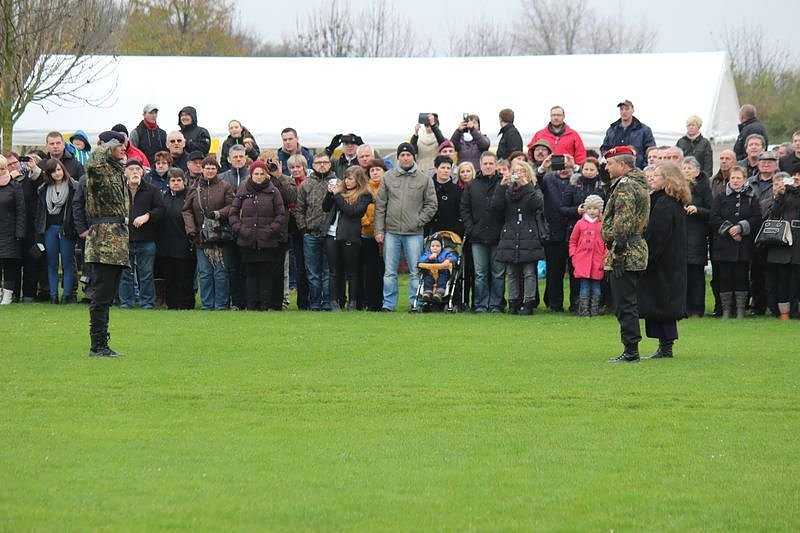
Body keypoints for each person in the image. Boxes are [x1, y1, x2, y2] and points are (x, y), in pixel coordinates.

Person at [374, 142, 438, 311]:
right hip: (391, 232)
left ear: (413, 156)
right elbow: (380, 205)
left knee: (415, 271)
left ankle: (415, 303)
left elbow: (432, 205)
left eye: (408, 154)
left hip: (414, 233)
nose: (405, 157)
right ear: (398, 157)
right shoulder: (388, 177)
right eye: (402, 155)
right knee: (389, 272)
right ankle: (388, 305)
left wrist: (418, 220)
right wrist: (379, 230)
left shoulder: (424, 179)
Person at [601, 146, 650, 363]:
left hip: (627, 250)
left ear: (622, 165)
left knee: (624, 304)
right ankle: (631, 347)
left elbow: (623, 222)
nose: (606, 166)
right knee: (627, 302)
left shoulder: (625, 187)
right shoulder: (637, 184)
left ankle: (631, 350)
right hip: (636, 248)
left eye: (610, 163)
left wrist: (618, 252)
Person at [84, 131, 130, 357]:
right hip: (104, 242)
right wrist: (105, 144)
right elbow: (93, 161)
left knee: (108, 295)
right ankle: (98, 345)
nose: (123, 148)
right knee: (101, 296)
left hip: (118, 240)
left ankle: (102, 342)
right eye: (118, 145)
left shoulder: (116, 170)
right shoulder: (99, 170)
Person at [638, 162, 690, 359]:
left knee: (662, 305)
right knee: (662, 303)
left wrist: (647, 260)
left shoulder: (664, 204)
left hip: (663, 264)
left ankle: (666, 346)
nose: (652, 177)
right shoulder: (671, 201)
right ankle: (664, 345)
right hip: (670, 262)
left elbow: (658, 236)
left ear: (668, 179)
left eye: (657, 175)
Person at [228, 161, 286, 311]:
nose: (259, 177)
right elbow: (233, 213)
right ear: (251, 174)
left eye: (261, 174)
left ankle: (265, 305)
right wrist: (241, 229)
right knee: (250, 274)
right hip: (247, 240)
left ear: (266, 174)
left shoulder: (273, 192)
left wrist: (270, 230)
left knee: (266, 274)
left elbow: (280, 214)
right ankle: (251, 305)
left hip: (267, 241)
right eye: (256, 174)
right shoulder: (243, 190)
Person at [491, 159, 545, 315]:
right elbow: (496, 206)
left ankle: (528, 303)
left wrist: (526, 185)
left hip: (528, 233)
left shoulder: (533, 189)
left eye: (522, 171)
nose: (518, 174)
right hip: (510, 232)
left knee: (529, 272)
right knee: (511, 272)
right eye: (516, 171)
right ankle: (513, 302)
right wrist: (502, 186)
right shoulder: (507, 190)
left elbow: (537, 205)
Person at [182, 156, 234, 311]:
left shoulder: (225, 186)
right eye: (207, 167)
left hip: (220, 236)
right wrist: (191, 230)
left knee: (220, 272)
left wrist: (218, 214)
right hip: (201, 237)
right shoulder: (194, 187)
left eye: (213, 168)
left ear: (217, 170)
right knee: (204, 273)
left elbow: (232, 206)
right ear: (202, 169)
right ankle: (206, 305)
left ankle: (221, 305)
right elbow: (186, 210)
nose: (210, 170)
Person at [709, 166, 761, 319]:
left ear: (744, 179)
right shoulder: (720, 197)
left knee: (741, 277)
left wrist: (741, 228)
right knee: (724, 277)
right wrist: (730, 229)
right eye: (733, 178)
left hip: (743, 245)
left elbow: (757, 218)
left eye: (739, 178)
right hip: (724, 245)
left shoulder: (751, 197)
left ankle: (740, 310)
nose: (735, 181)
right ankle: (726, 309)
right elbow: (714, 217)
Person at [323, 165, 373, 311]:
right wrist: (329, 193)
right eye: (345, 178)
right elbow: (325, 207)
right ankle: (334, 302)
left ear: (358, 180)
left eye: (350, 178)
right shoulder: (340, 192)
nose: (347, 181)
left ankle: (353, 302)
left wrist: (337, 195)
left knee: (351, 272)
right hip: (332, 234)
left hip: (350, 236)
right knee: (334, 271)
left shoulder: (364, 195)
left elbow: (352, 212)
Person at [460, 151, 504, 313]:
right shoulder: (472, 185)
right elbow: (464, 208)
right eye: (485, 163)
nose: (488, 166)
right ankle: (480, 304)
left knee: (498, 273)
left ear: (496, 165)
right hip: (477, 237)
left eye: (491, 163)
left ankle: (496, 305)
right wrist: (471, 228)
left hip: (498, 236)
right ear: (480, 164)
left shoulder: (503, 183)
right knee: (480, 274)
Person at [117, 158, 164, 310]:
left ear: (143, 172)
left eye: (138, 169)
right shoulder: (118, 190)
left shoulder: (152, 190)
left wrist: (147, 216)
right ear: (125, 173)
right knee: (125, 274)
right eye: (131, 169)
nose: (135, 172)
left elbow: (161, 210)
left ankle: (147, 303)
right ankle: (126, 303)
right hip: (124, 238)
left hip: (146, 239)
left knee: (146, 274)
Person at [295, 152, 335, 310]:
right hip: (310, 233)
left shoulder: (336, 182)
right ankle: (315, 302)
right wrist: (303, 229)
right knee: (312, 272)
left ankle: (327, 302)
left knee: (328, 270)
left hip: (331, 233)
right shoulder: (306, 184)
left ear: (330, 164)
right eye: (318, 163)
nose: (322, 165)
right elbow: (299, 210)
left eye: (325, 162)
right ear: (313, 165)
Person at [538, 153, 578, 312]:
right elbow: (536, 182)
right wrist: (543, 166)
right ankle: (554, 304)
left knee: (576, 271)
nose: (564, 170)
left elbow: (589, 177)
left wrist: (574, 166)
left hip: (575, 231)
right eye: (561, 166)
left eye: (567, 167)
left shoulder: (577, 179)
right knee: (554, 271)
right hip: (553, 231)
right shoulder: (548, 179)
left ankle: (576, 303)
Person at [35, 159, 78, 304]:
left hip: (67, 229)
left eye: (59, 169)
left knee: (67, 263)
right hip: (49, 230)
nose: (57, 173)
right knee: (52, 263)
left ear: (64, 170)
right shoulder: (44, 189)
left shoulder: (73, 187)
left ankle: (67, 295)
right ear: (49, 173)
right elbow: (41, 212)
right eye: (53, 171)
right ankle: (53, 295)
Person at [746, 150, 780, 316]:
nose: (766, 164)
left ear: (776, 164)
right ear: (758, 164)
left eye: (770, 161)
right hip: (754, 230)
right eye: (763, 161)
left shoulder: (781, 180)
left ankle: (774, 305)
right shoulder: (750, 182)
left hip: (774, 231)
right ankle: (757, 305)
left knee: (773, 271)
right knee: (756, 271)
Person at [157, 168, 195, 310]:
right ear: (168, 183)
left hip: (185, 245)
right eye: (173, 180)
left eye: (179, 180)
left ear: (184, 181)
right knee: (170, 277)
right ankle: (172, 304)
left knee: (184, 277)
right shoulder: (163, 198)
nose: (176, 183)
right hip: (166, 246)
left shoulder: (189, 197)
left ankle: (186, 304)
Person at [765, 165, 800, 320]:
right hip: (784, 240)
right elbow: (774, 213)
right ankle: (783, 311)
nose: (796, 179)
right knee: (783, 278)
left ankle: (795, 310)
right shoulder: (784, 194)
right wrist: (782, 194)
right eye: (794, 176)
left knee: (796, 278)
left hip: (798, 240)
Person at [681, 156, 712, 317]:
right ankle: (683, 308)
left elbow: (711, 211)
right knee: (682, 277)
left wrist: (697, 210)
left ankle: (697, 309)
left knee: (696, 276)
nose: (686, 171)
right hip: (680, 237)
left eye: (689, 168)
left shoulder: (704, 188)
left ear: (697, 171)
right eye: (684, 168)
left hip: (697, 236)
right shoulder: (677, 188)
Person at [569, 194, 606, 317]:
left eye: (595, 208)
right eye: (589, 208)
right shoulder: (580, 224)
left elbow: (607, 243)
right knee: (584, 287)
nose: (592, 211)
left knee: (596, 287)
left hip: (597, 260)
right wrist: (574, 255)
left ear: (600, 210)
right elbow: (573, 241)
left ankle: (594, 310)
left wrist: (605, 257)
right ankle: (584, 310)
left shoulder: (602, 225)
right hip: (582, 260)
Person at [360, 158, 386, 311]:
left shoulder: (388, 186)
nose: (375, 173)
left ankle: (383, 301)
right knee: (369, 269)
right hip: (367, 233)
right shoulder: (364, 188)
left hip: (385, 233)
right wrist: (366, 221)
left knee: (383, 270)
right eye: (372, 170)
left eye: (378, 170)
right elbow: (358, 206)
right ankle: (370, 302)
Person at [600, 99, 656, 169]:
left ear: (633, 110)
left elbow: (650, 150)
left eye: (627, 109)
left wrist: (644, 167)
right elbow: (604, 148)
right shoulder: (612, 130)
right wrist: (608, 160)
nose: (624, 112)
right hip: (615, 170)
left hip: (637, 169)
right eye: (621, 109)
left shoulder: (644, 130)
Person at [0, 155, 25, 305]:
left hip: (10, 231)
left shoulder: (15, 186)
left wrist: (20, 232)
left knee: (9, 265)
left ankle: (8, 295)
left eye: (2, 168)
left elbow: (21, 210)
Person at [286, 154, 309, 309]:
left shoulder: (308, 183)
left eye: (298, 167)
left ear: (304, 167)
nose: (295, 170)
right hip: (292, 226)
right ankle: (302, 301)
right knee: (298, 265)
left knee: (310, 265)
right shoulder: (287, 183)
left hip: (307, 225)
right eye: (292, 167)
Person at [426, 155, 463, 237]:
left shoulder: (457, 190)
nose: (445, 171)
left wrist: (458, 228)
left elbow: (461, 212)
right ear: (436, 169)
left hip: (451, 234)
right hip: (429, 232)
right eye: (442, 168)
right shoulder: (427, 187)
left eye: (448, 168)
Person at [418, 234, 457, 302]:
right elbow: (421, 260)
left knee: (443, 277)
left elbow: (454, 257)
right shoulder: (428, 253)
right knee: (427, 278)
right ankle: (427, 292)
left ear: (442, 247)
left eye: (437, 246)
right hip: (430, 272)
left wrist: (448, 260)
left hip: (442, 272)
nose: (435, 248)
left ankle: (439, 292)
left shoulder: (445, 253)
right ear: (430, 247)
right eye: (432, 246)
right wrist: (429, 257)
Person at [130, 103, 168, 167]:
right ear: (144, 115)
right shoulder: (136, 132)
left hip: (161, 168)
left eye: (155, 113)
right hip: (143, 169)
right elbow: (132, 152)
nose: (153, 115)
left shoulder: (163, 133)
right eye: (151, 113)